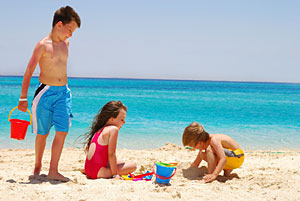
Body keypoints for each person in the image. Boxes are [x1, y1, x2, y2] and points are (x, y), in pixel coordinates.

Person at [17, 6, 81, 181]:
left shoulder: (66, 44)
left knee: (62, 130)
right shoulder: (42, 45)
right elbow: (29, 71)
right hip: (45, 93)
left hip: (64, 93)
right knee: (42, 133)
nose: (71, 35)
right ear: (59, 25)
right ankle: (38, 165)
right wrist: (23, 98)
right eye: (70, 30)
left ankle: (53, 169)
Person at [82, 101, 137, 179]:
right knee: (133, 166)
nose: (124, 122)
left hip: (89, 170)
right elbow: (111, 154)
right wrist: (115, 175)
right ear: (111, 119)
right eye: (122, 119)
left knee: (121, 162)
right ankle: (111, 173)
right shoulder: (113, 129)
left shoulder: (99, 129)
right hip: (97, 173)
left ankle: (85, 170)